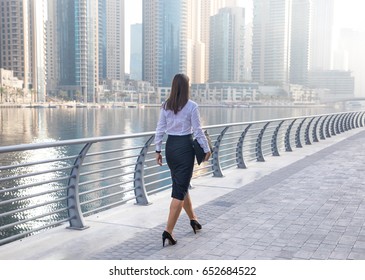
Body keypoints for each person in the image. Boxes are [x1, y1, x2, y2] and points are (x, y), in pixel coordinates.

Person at [154, 74, 211, 247]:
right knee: (179, 192)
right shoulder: (192, 106)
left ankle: (193, 219)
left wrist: (157, 150)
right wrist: (207, 149)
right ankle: (168, 232)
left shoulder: (166, 105)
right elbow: (198, 130)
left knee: (181, 185)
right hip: (185, 148)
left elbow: (159, 129)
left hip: (170, 147)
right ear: (187, 87)